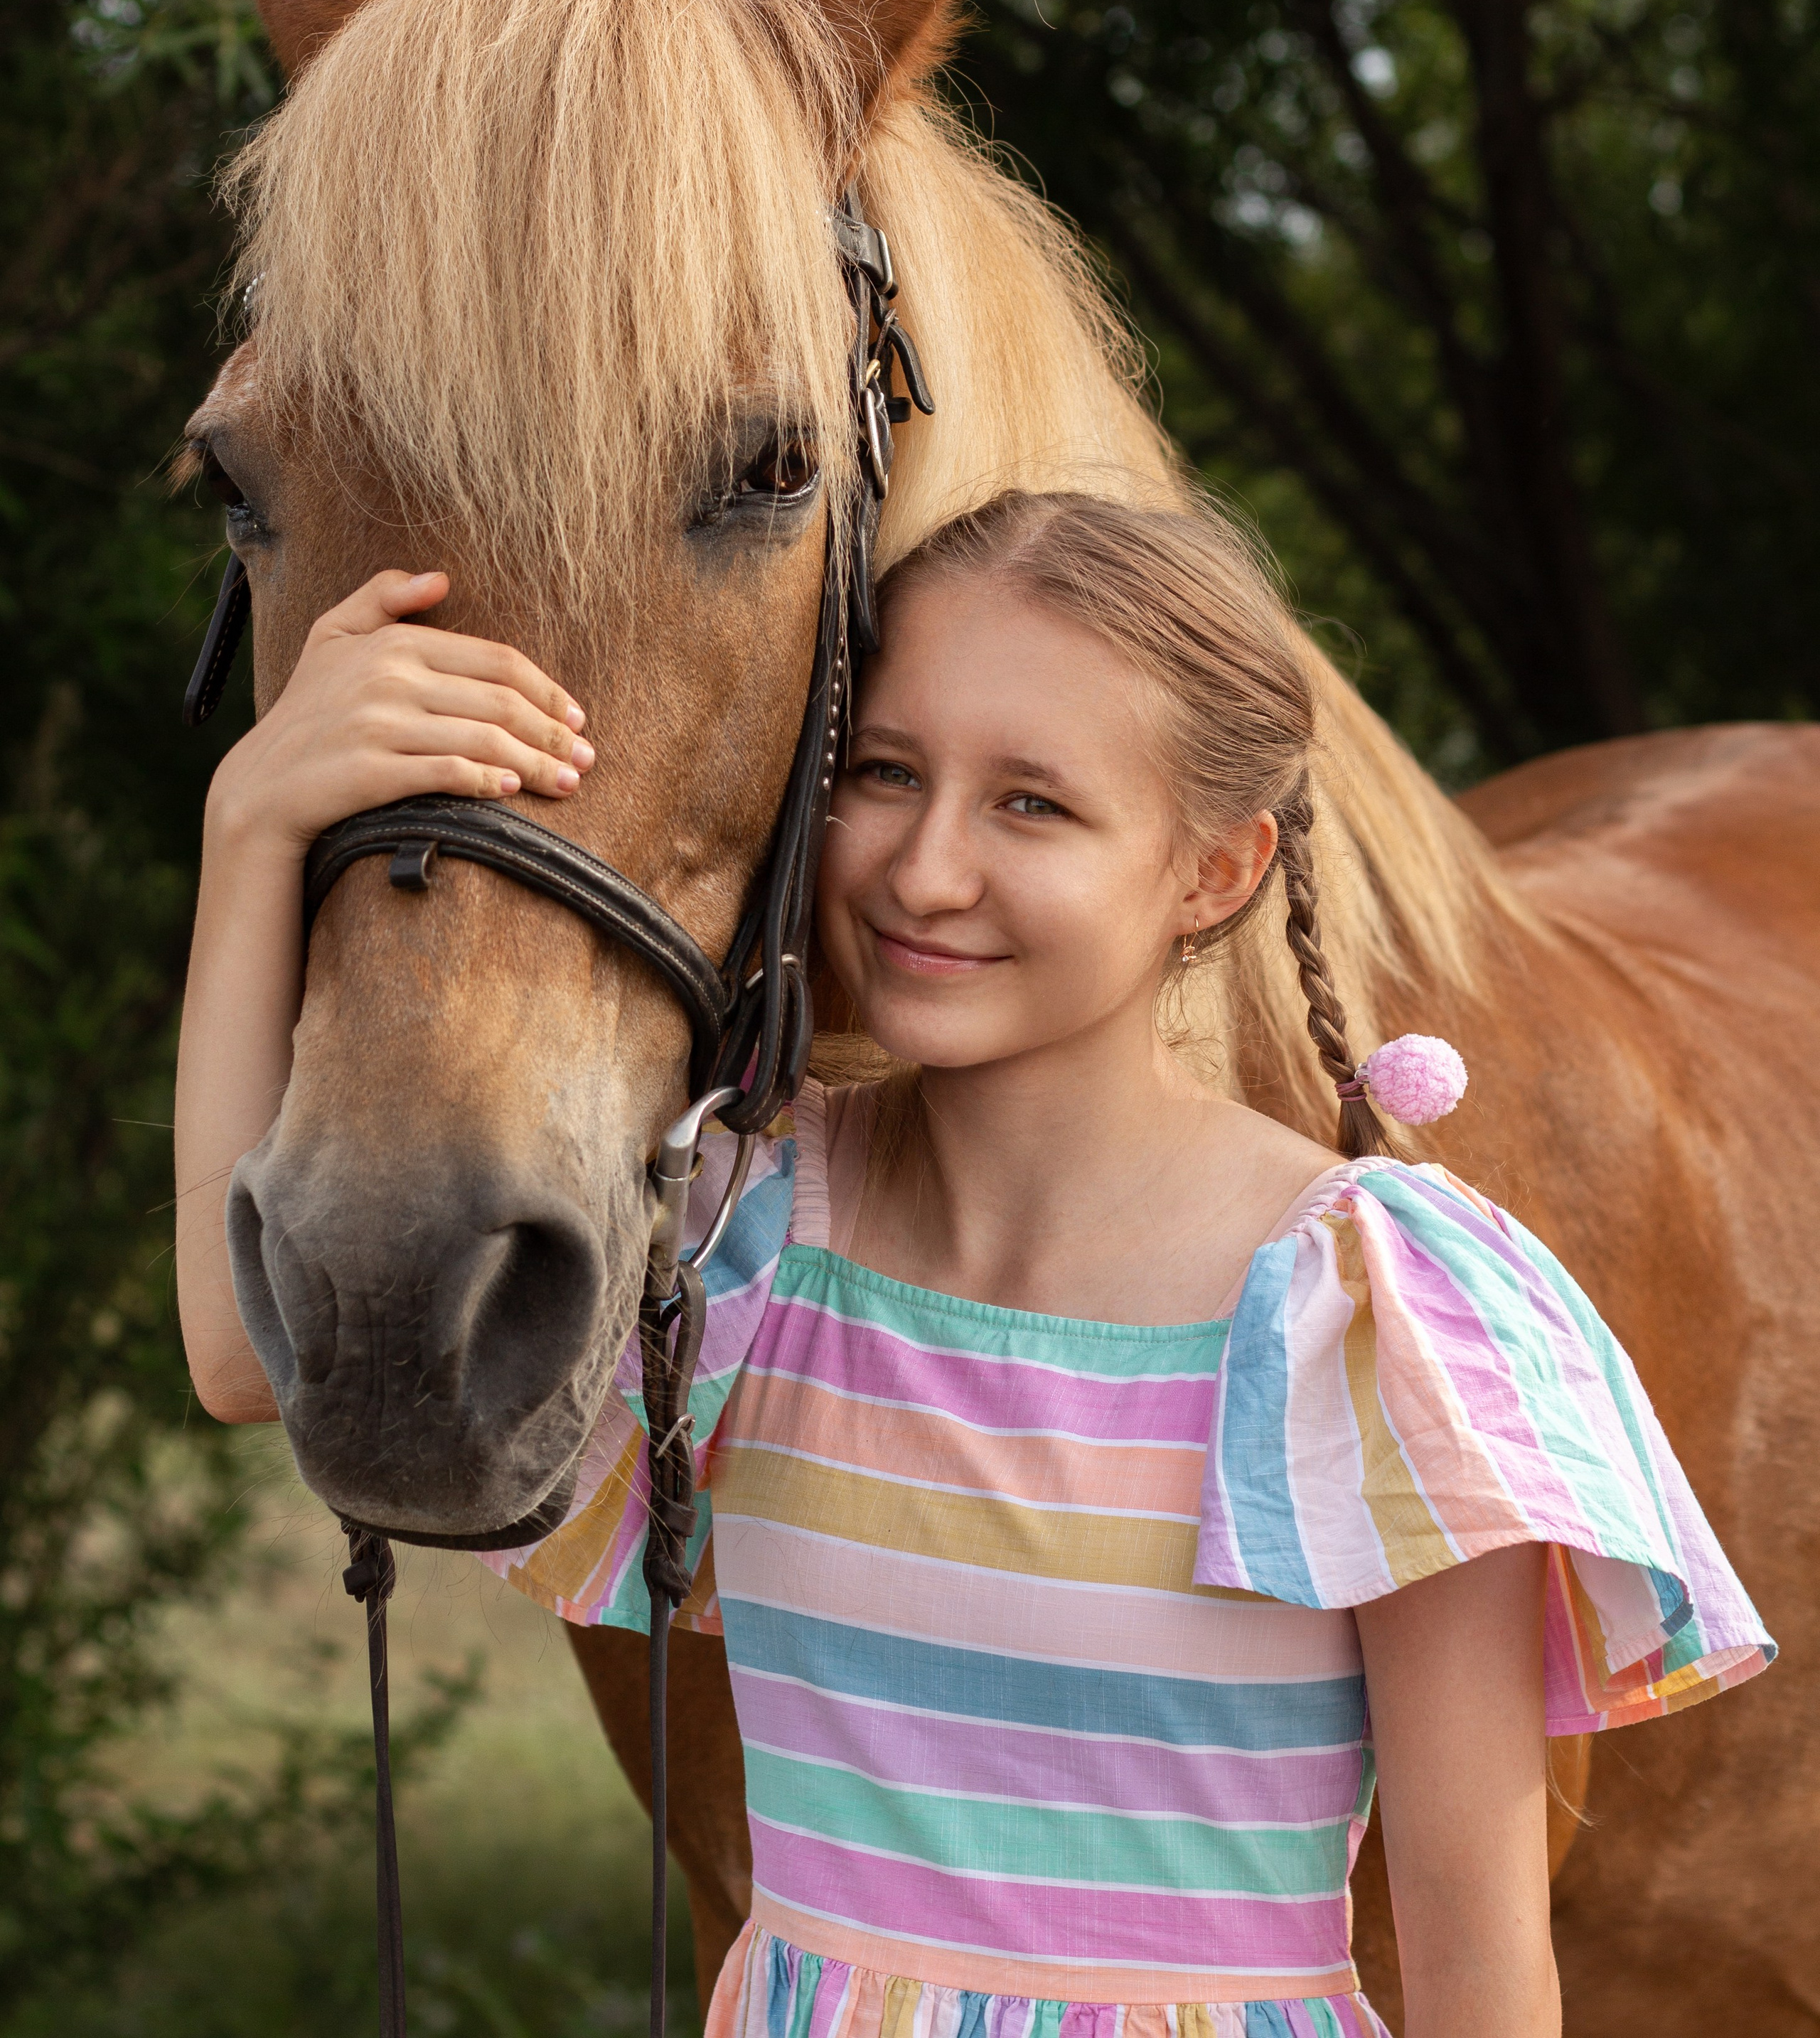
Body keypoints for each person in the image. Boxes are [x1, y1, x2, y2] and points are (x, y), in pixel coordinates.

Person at [176, 489, 1773, 2038]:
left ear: (1213, 871)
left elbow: (1480, 1969)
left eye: (1032, 803)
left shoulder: (1365, 1314)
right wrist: (253, 821)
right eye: (883, 771)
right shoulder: (738, 1240)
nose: (925, 870)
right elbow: (249, 1361)